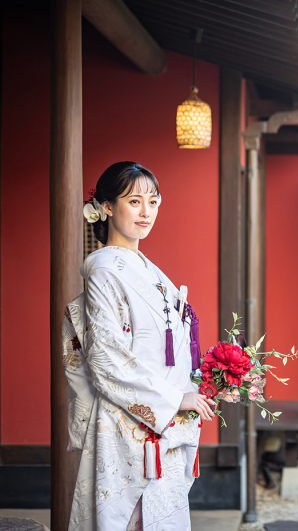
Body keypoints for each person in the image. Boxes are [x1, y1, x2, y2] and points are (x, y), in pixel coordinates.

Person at [62, 162, 215, 531]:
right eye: (134, 201)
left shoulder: (147, 268)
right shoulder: (103, 268)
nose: (146, 211)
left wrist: (198, 386)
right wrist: (174, 399)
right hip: (128, 422)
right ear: (108, 206)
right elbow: (105, 358)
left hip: (161, 421)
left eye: (153, 201)